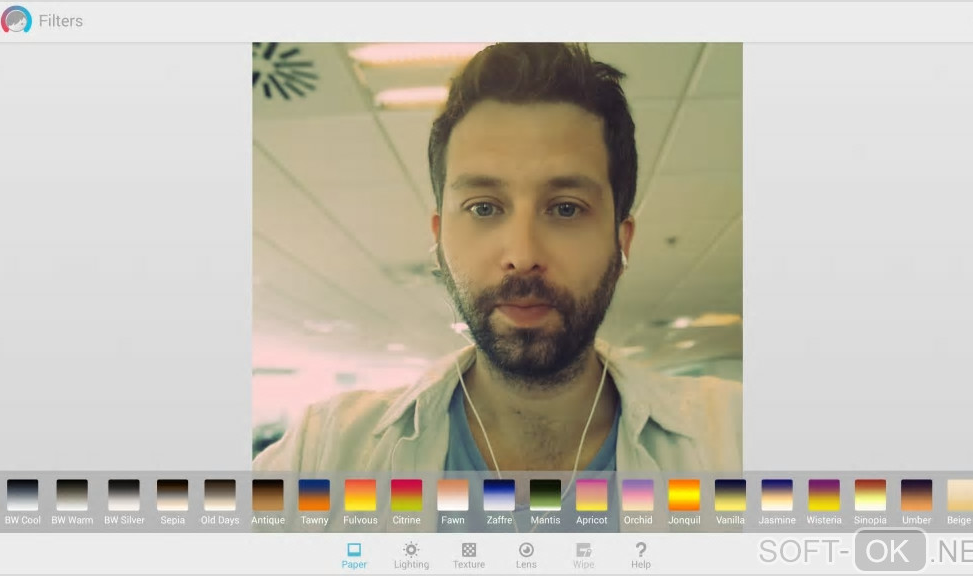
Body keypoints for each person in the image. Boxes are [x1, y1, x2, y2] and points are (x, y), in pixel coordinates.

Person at [253, 43, 741, 477]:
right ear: (440, 239)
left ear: (621, 241)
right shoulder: (326, 453)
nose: (523, 257)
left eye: (566, 208)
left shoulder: (738, 442)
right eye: (483, 208)